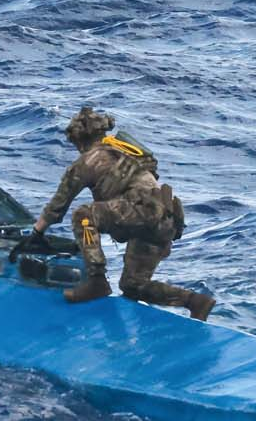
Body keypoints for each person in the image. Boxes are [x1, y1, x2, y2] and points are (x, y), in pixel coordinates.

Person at [27, 106, 214, 321]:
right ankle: (195, 302)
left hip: (141, 212)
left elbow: (57, 206)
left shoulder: (88, 160)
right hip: (165, 219)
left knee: (83, 215)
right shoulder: (125, 151)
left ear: (78, 140)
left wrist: (37, 232)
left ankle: (97, 280)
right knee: (133, 286)